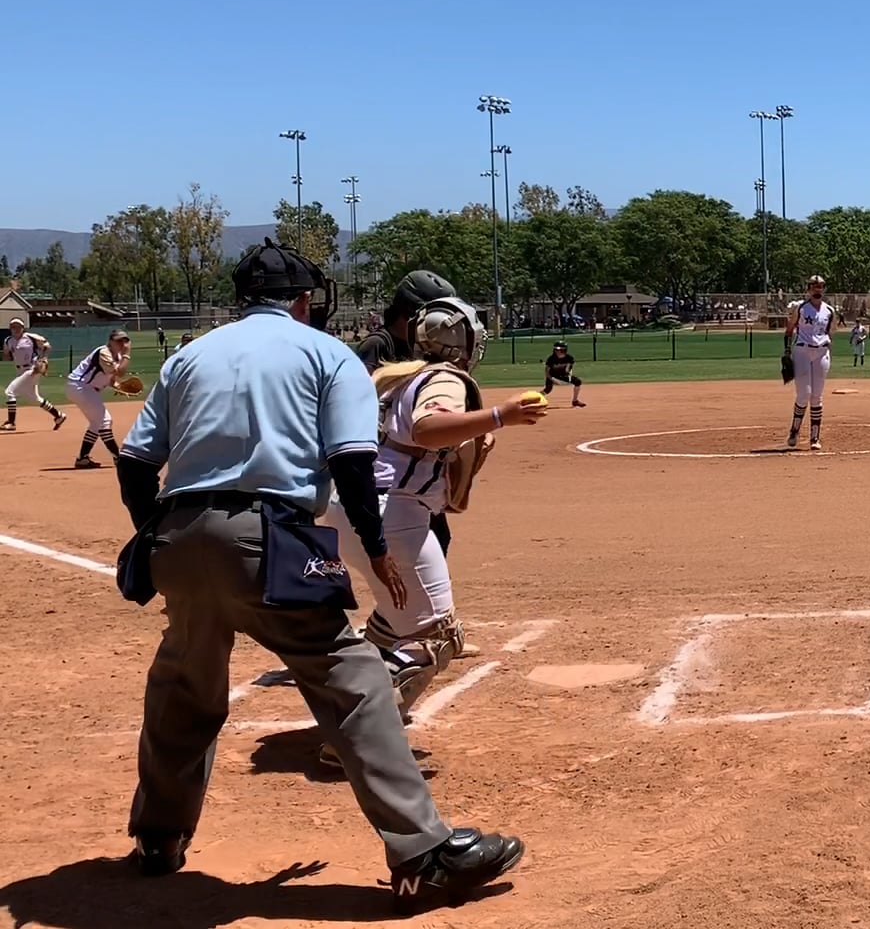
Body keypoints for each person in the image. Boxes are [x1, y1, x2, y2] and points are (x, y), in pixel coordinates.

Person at [112, 240, 523, 910]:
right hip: (276, 532)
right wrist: (376, 548)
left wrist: (151, 535)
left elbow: (135, 462)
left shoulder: (188, 356)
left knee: (183, 685)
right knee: (351, 675)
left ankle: (158, 839)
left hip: (179, 535)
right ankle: (422, 854)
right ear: (304, 300)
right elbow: (353, 462)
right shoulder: (327, 353)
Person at [318, 297, 545, 768]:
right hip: (393, 514)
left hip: (351, 507)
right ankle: (356, 738)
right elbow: (428, 429)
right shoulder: (443, 379)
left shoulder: (395, 377)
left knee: (392, 618)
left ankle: (349, 706)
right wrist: (500, 416)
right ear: (462, 340)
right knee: (435, 636)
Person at [358, 271, 461, 560]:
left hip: (419, 468)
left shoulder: (426, 347)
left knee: (438, 536)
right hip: (387, 468)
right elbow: (358, 402)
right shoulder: (378, 345)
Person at [67, 329, 133, 469]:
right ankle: (118, 457)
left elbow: (112, 377)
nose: (122, 343)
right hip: (80, 387)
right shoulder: (104, 352)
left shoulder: (117, 356)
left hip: (85, 388)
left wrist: (118, 387)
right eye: (118, 341)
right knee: (104, 421)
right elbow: (120, 372)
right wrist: (127, 354)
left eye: (125, 340)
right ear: (110, 342)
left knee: (96, 423)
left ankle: (83, 458)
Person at [786, 274, 834, 451]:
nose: (817, 289)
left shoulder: (829, 310)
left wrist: (828, 350)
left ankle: (814, 437)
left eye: (820, 286)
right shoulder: (801, 308)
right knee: (804, 394)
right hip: (802, 351)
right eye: (814, 286)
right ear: (808, 290)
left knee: (817, 396)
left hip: (821, 352)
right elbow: (789, 330)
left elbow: (831, 332)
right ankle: (794, 431)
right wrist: (786, 352)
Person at [4, 318, 66, 432]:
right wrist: (8, 355)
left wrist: (44, 359)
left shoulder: (31, 337)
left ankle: (11, 422)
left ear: (23, 328)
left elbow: (47, 346)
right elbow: (7, 355)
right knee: (34, 399)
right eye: (13, 326)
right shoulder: (8, 340)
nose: (16, 329)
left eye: (18, 326)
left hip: (32, 369)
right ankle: (59, 415)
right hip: (20, 370)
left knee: (10, 391)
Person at [543, 341, 585, 407]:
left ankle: (575, 401)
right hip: (552, 376)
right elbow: (547, 372)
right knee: (547, 390)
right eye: (556, 349)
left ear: (564, 350)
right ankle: (534, 399)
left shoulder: (569, 358)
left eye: (559, 350)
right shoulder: (551, 359)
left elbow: (569, 368)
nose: (557, 351)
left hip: (563, 375)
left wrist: (569, 375)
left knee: (578, 382)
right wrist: (553, 380)